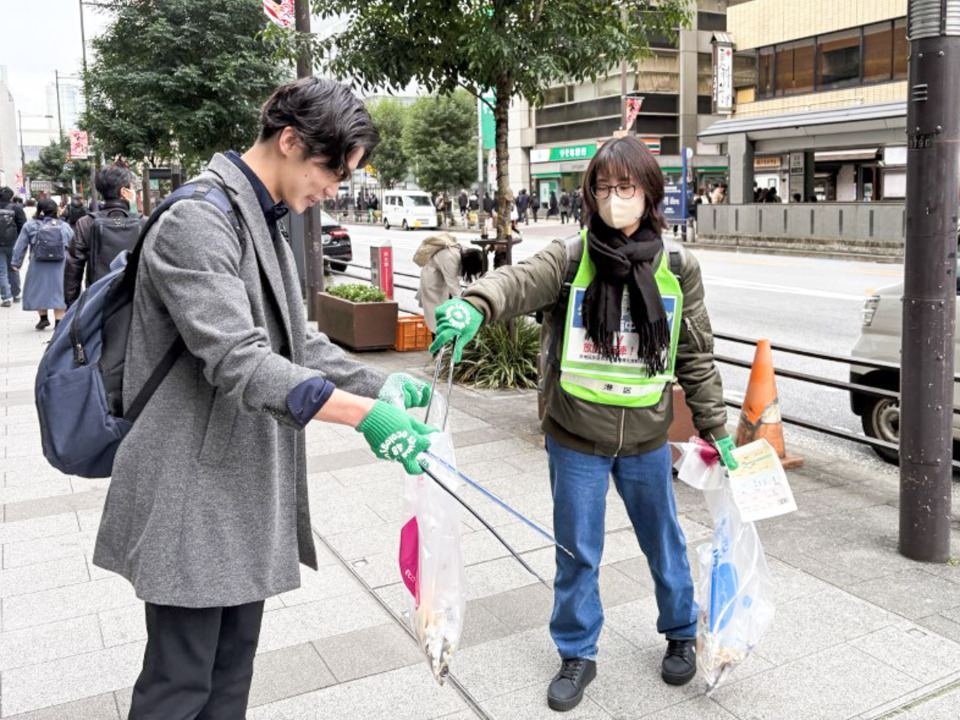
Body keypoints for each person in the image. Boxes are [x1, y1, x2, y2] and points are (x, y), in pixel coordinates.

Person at [91, 77, 438, 719]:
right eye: (332, 171)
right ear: (290, 141)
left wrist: (380, 383)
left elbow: (296, 343)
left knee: (230, 677)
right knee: (179, 684)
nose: (333, 190)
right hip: (191, 489)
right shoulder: (198, 220)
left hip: (234, 483)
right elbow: (240, 359)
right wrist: (364, 415)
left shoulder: (261, 221)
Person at [429, 136, 736, 712]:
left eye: (626, 186)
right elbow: (517, 281)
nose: (615, 197)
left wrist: (716, 427)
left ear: (649, 192)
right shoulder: (571, 258)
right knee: (576, 552)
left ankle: (680, 633)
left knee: (664, 542)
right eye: (603, 187)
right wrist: (474, 304)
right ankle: (577, 652)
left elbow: (695, 353)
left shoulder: (678, 267)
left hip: (646, 437)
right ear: (590, 195)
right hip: (575, 437)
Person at [64, 165, 143, 309]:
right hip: (137, 300)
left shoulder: (86, 222)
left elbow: (73, 267)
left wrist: (72, 305)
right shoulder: (144, 222)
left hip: (98, 299)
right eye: (131, 187)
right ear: (124, 192)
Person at [10, 198, 72, 329]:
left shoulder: (30, 225)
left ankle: (43, 318)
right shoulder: (64, 226)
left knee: (39, 289)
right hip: (60, 264)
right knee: (59, 290)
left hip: (38, 262)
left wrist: (16, 262)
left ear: (39, 210)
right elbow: (73, 244)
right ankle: (59, 321)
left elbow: (20, 245)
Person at [414, 233, 484, 332]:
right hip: (433, 280)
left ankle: (443, 337)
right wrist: (467, 304)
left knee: (446, 311)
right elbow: (453, 285)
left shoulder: (465, 253)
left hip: (442, 277)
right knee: (436, 315)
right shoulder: (450, 258)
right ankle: (438, 338)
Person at [0, 186, 26, 306]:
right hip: (13, 243)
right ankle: (16, 294)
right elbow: (23, 227)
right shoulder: (17, 208)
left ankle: (6, 298)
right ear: (11, 197)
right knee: (13, 268)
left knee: (1, 271)